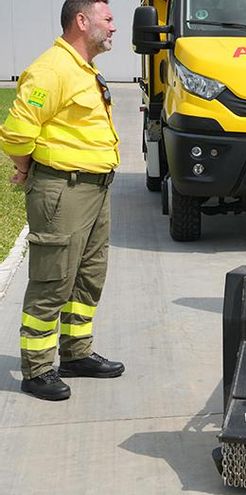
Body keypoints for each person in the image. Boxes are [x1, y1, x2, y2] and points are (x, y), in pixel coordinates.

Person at [0, 0, 124, 401]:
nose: (114, 27)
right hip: (63, 191)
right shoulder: (51, 70)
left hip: (94, 189)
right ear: (81, 21)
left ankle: (76, 354)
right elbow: (17, 133)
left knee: (88, 277)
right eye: (108, 19)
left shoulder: (83, 70)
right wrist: (24, 166)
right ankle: (37, 370)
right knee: (53, 279)